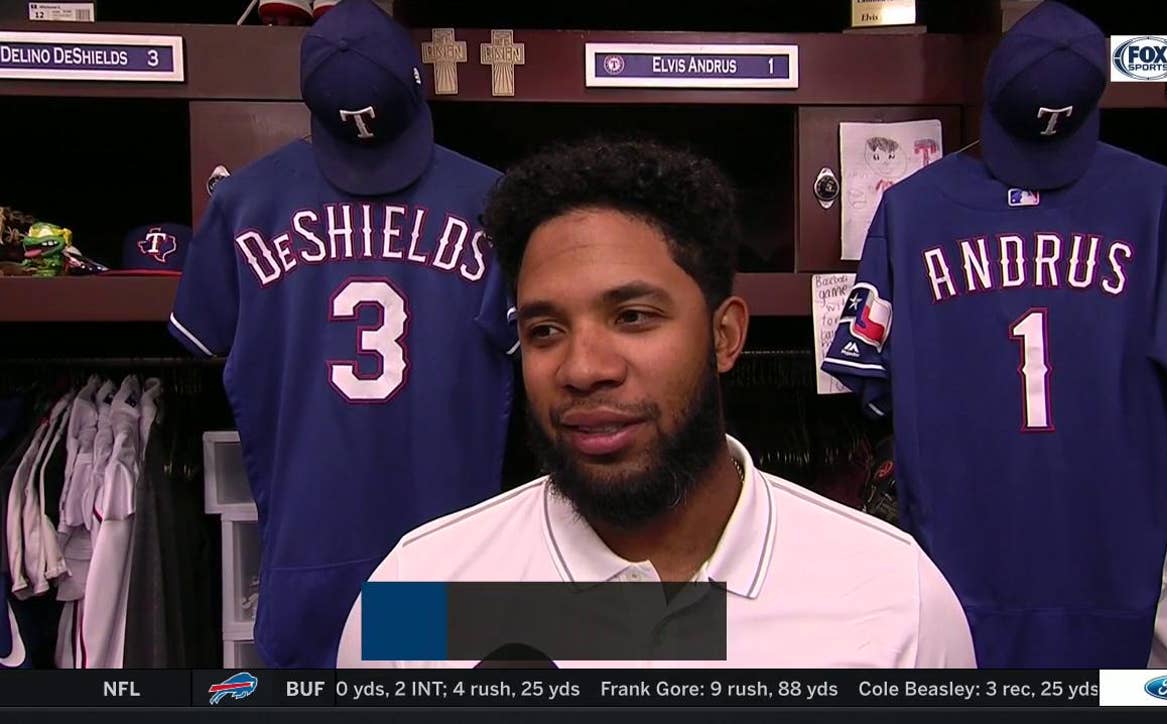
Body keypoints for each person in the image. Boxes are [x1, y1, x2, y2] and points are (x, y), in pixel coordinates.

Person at [336, 138, 975, 668]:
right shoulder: (418, 595)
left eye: (634, 316)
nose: (583, 369)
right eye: (544, 331)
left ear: (725, 337)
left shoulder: (897, 601)